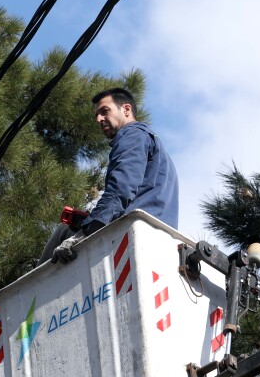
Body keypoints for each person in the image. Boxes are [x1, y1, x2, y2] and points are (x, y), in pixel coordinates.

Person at [52, 87, 179, 263]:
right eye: (96, 115)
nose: (99, 119)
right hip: (158, 238)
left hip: (133, 233)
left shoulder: (132, 134)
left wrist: (82, 234)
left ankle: (29, 290)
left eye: (104, 111)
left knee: (63, 232)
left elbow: (121, 189)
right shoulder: (156, 148)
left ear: (126, 109)